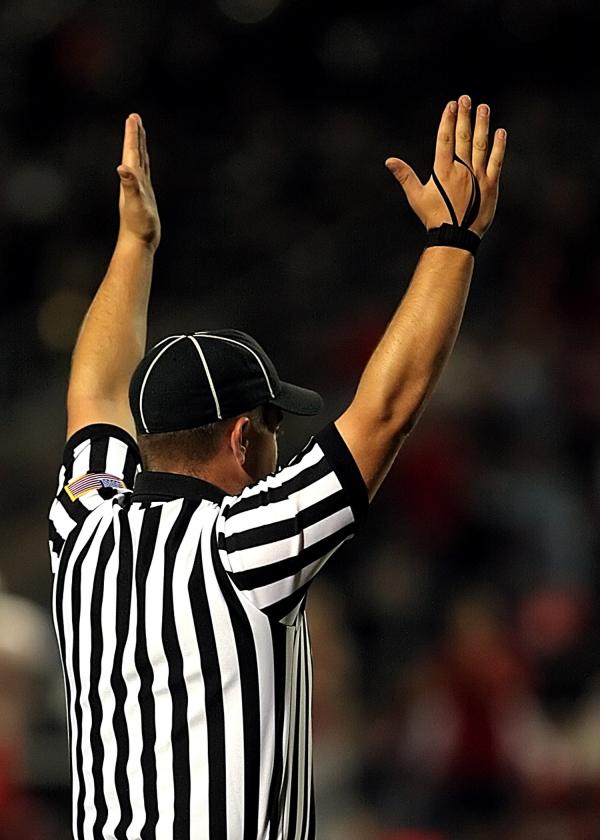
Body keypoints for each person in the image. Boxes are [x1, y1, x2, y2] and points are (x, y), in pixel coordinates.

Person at [49, 94, 506, 840]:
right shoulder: (244, 545)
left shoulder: (82, 520)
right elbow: (384, 412)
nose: (278, 446)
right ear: (240, 438)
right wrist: (453, 240)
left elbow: (94, 393)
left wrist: (135, 244)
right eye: (271, 426)